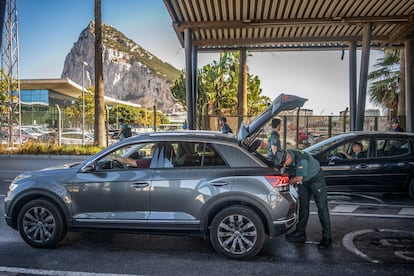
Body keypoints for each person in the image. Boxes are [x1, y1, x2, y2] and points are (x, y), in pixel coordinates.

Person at [276, 149, 332, 247]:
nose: (284, 166)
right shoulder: (286, 154)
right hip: (304, 182)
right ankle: (300, 233)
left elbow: (298, 178)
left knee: (322, 207)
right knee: (303, 207)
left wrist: (285, 183)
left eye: (284, 163)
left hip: (316, 179)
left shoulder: (302, 160)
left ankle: (327, 237)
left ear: (288, 157)